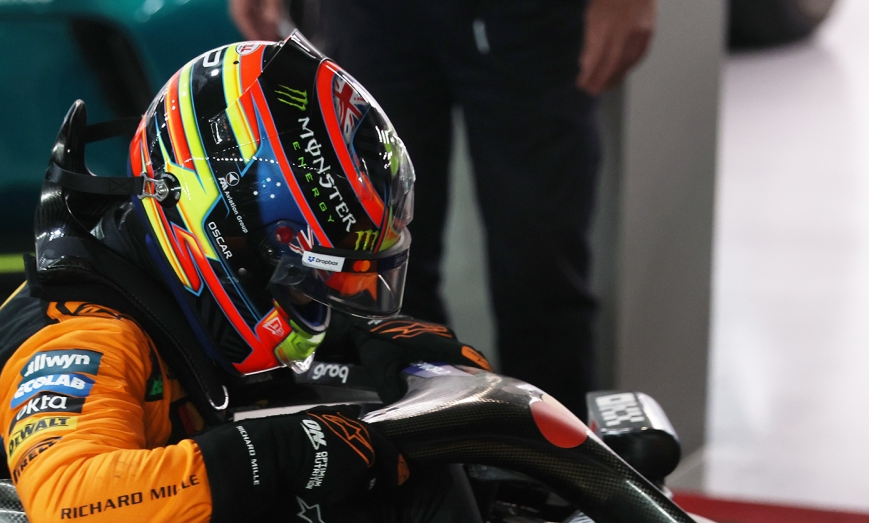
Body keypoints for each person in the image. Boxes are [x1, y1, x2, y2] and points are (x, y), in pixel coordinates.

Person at [0, 33, 507, 523]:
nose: (327, 296)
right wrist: (282, 451)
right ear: (224, 231)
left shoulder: (145, 263)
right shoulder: (89, 340)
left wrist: (368, 340)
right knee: (407, 492)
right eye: (313, 275)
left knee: (400, 452)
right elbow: (70, 518)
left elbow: (242, 333)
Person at [231, 0, 657, 416]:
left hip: (525, 19)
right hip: (373, 16)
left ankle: (556, 456)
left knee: (539, 274)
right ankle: (410, 452)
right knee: (369, 268)